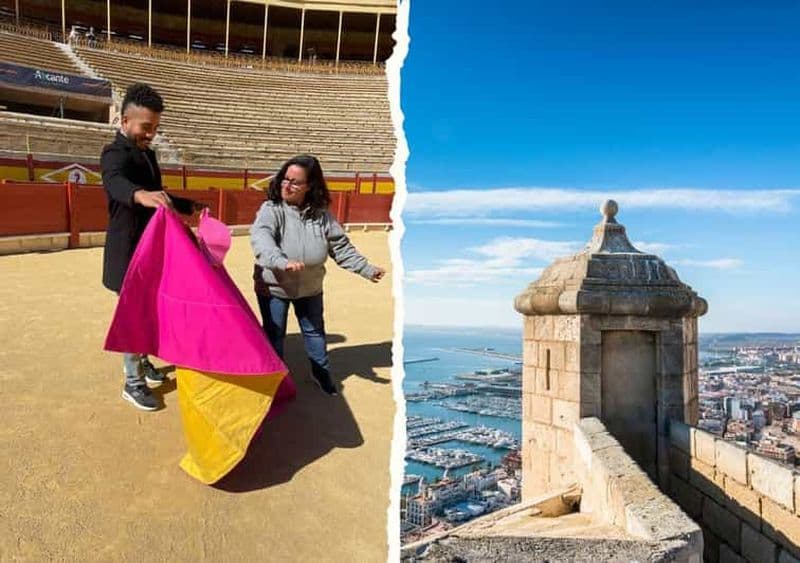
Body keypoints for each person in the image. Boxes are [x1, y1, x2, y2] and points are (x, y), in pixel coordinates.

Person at [101, 83, 203, 411]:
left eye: (156, 128)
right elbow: (117, 183)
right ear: (125, 121)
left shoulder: (146, 154)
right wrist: (140, 195)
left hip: (148, 250)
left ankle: (142, 364)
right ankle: (132, 383)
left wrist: (188, 207)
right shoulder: (114, 152)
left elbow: (159, 193)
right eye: (146, 127)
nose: (151, 134)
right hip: (128, 252)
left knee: (148, 313)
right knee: (135, 316)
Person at [250, 155, 385, 396]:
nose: (286, 185)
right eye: (284, 179)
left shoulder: (322, 215)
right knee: (274, 335)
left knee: (314, 332)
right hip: (274, 287)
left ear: (309, 186)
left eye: (295, 182)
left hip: (310, 287)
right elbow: (262, 240)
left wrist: (366, 268)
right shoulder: (271, 209)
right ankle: (274, 380)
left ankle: (320, 372)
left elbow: (341, 247)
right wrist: (281, 262)